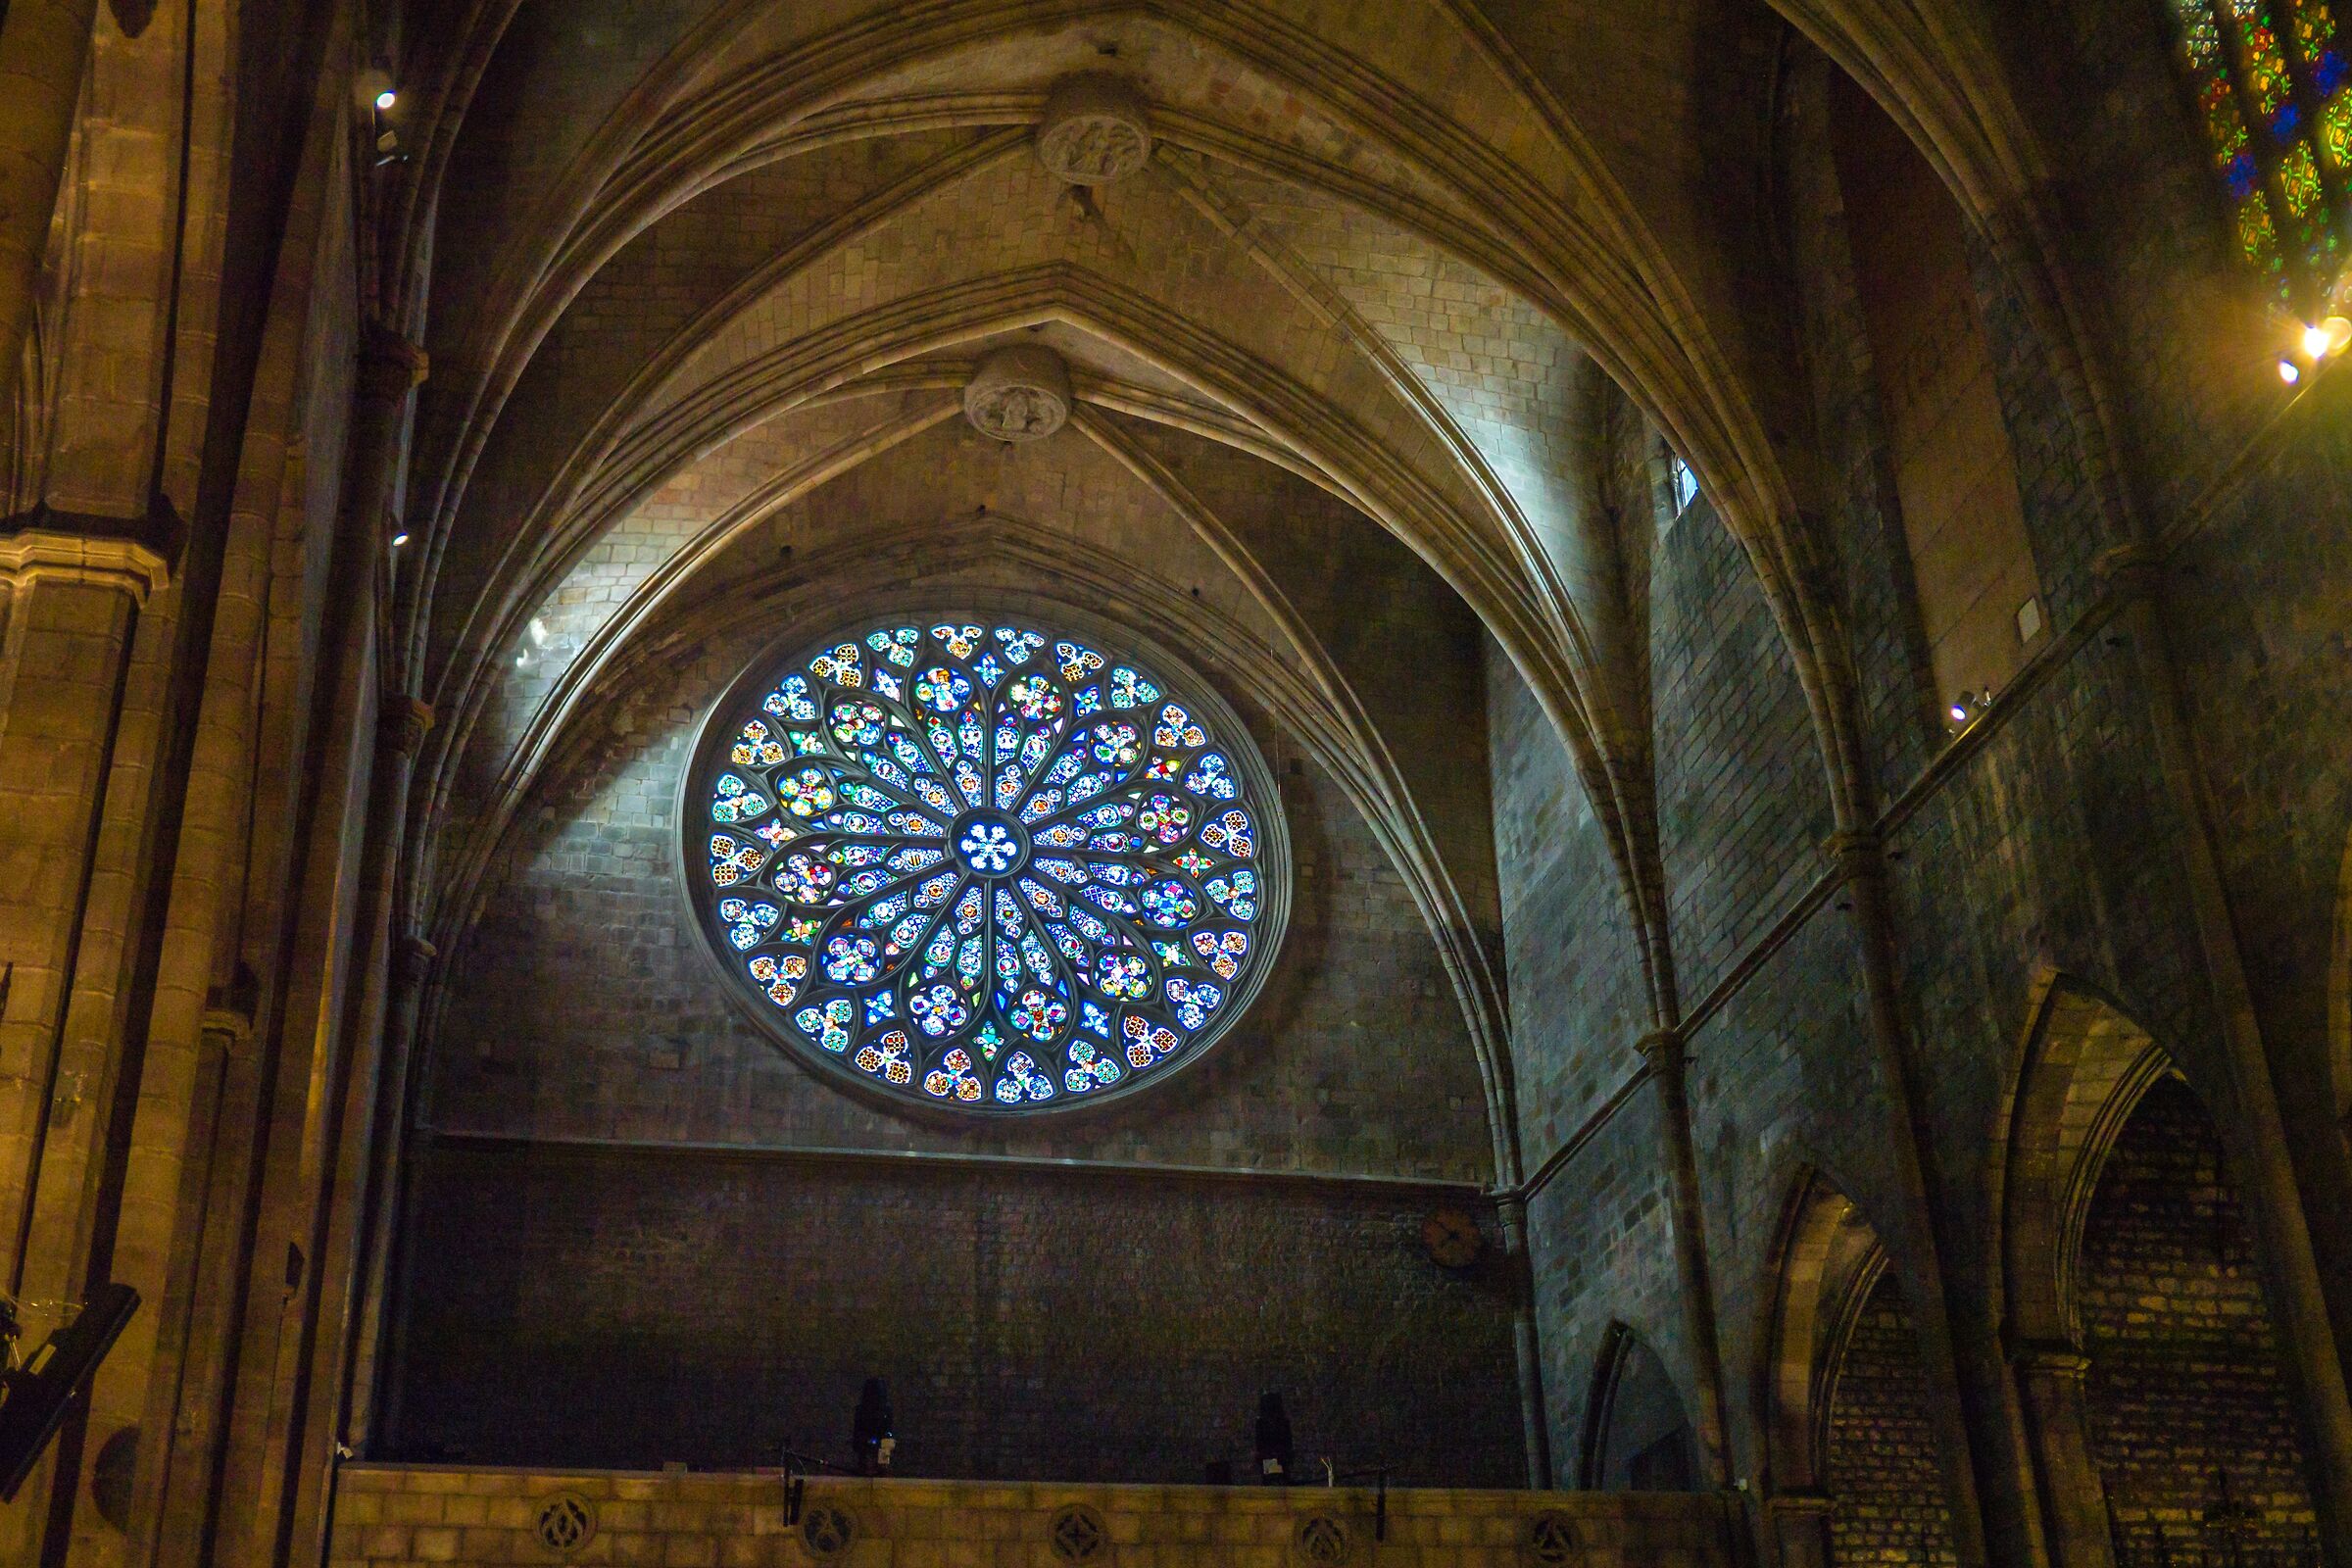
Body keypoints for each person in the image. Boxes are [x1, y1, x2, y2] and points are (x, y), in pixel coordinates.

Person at [852, 1378, 896, 1475]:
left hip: (882, 1445)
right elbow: (858, 1432)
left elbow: (888, 1428)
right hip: (866, 1445)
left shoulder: (886, 1410)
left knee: (882, 1468)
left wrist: (887, 1438)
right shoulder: (861, 1410)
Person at [1253, 1392, 1293, 1486]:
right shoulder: (1263, 1423)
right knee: (1274, 1481)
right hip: (1273, 1457)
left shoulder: (1279, 1422)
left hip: (1277, 1456)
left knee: (1276, 1482)